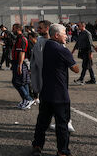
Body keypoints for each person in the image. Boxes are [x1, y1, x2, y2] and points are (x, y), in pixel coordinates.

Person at [31, 24, 79, 156]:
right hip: (60, 93)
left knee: (42, 122)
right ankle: (62, 150)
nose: (67, 36)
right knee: (62, 124)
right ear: (56, 35)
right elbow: (76, 69)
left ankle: (37, 146)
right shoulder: (62, 50)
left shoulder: (43, 46)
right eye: (64, 33)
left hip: (45, 91)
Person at [11, 24, 35, 110]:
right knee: (23, 82)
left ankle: (28, 99)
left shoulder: (22, 39)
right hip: (17, 62)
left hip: (20, 63)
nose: (12, 30)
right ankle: (25, 100)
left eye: (13, 29)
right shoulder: (18, 38)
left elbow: (22, 53)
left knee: (16, 82)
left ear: (18, 29)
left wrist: (19, 65)